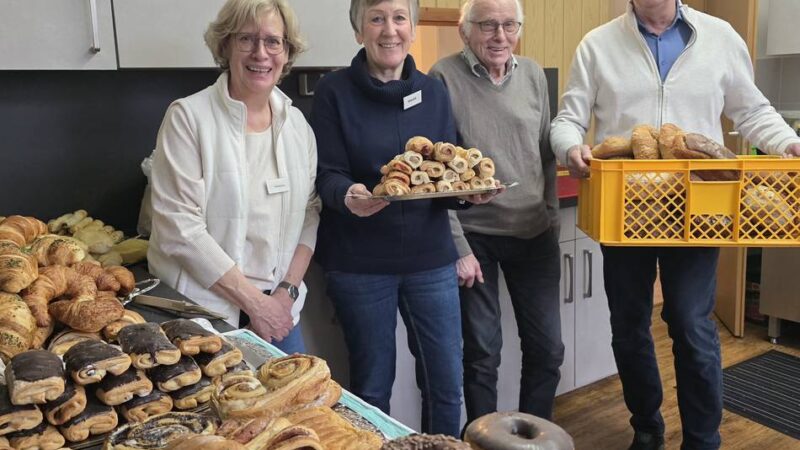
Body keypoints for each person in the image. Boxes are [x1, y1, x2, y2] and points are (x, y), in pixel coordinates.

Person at [550, 1, 800, 449]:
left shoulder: (720, 37)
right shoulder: (598, 44)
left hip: (700, 210)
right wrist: (571, 148)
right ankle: (646, 427)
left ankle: (703, 440)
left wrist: (788, 142)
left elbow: (753, 111)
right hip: (625, 211)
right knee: (628, 325)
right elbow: (569, 118)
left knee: (689, 321)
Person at [311, 0, 494, 437]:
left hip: (430, 261)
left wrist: (470, 195)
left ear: (412, 28)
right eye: (376, 18)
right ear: (359, 31)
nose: (389, 29)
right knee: (372, 389)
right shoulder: (333, 91)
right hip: (359, 264)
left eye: (399, 18)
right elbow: (325, 173)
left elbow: (446, 177)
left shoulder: (433, 92)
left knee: (446, 384)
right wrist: (349, 195)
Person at [147, 0, 321, 355]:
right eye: (247, 39)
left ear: (287, 53)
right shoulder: (188, 118)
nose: (261, 53)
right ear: (225, 45)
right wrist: (256, 304)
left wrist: (285, 293)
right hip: (203, 320)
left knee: (294, 408)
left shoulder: (297, 126)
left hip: (281, 312)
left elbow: (309, 211)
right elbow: (179, 228)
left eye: (274, 42)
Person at [428, 0, 563, 428]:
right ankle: (485, 438)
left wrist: (552, 216)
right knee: (483, 352)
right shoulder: (442, 77)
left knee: (548, 349)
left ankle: (531, 434)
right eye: (487, 25)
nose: (499, 36)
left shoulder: (534, 74)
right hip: (476, 238)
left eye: (509, 25)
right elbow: (437, 172)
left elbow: (545, 153)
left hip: (534, 232)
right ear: (464, 30)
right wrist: (458, 246)